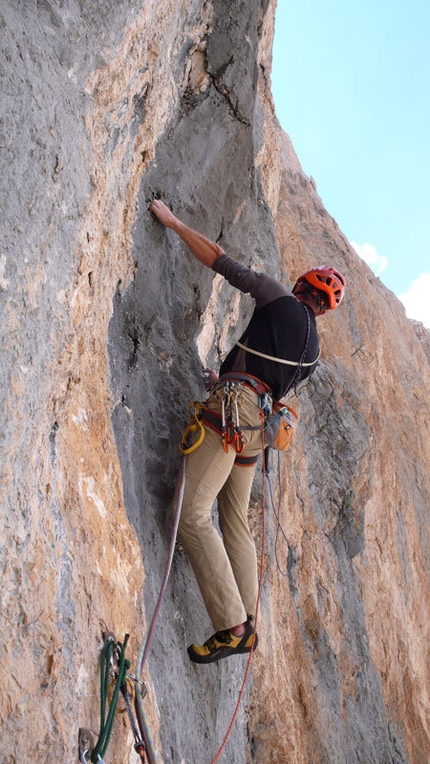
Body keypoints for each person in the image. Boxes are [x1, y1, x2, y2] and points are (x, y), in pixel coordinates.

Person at [149, 199, 346, 663]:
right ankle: (249, 621)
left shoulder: (278, 297)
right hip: (256, 429)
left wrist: (175, 221)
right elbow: (268, 379)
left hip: (233, 413)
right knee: (234, 516)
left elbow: (221, 260)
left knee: (191, 513)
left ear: (302, 286)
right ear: (326, 307)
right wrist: (228, 378)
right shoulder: (313, 352)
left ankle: (233, 626)